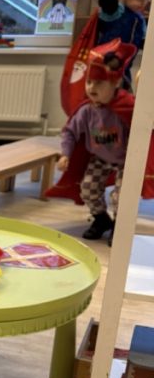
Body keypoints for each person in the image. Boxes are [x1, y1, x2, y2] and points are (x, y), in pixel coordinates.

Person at [55, 39, 138, 241]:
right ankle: (101, 219)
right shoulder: (87, 110)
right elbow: (70, 132)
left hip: (125, 161)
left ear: (115, 83)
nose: (91, 87)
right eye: (89, 82)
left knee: (121, 197)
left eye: (99, 83)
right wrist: (65, 154)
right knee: (88, 189)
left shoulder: (127, 107)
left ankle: (119, 227)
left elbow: (142, 131)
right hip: (100, 158)